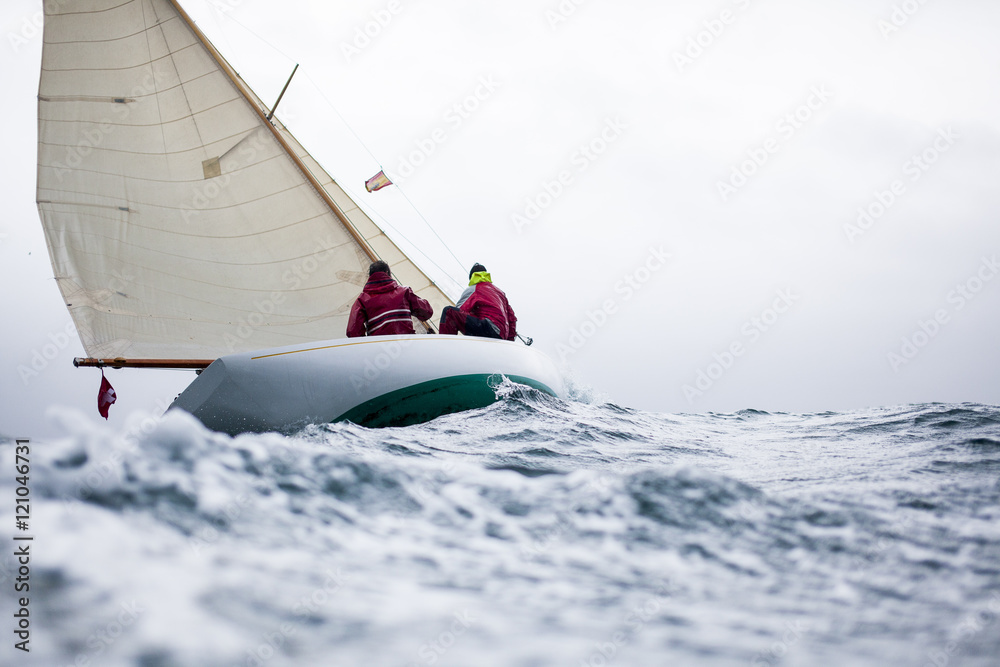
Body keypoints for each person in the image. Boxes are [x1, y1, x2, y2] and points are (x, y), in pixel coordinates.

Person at [346, 260, 434, 337]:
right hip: (406, 344)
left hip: (379, 349)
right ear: (387, 272)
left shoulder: (362, 300)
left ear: (370, 276)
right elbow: (427, 312)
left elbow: (353, 331)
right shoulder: (404, 292)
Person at [439, 263, 517, 340]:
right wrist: (508, 341)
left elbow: (460, 311)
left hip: (488, 329)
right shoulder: (501, 293)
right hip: (501, 335)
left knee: (449, 311)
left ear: (472, 277)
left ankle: (445, 344)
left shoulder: (474, 288)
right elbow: (512, 319)